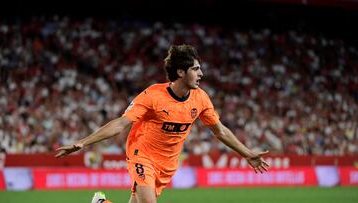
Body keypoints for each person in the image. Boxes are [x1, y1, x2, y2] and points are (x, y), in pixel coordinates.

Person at [55, 44, 269, 203]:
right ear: (180, 72)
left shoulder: (201, 99)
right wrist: (82, 143)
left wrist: (247, 153)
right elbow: (121, 124)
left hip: (166, 164)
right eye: (195, 69)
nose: (201, 74)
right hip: (142, 154)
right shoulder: (152, 95)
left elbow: (220, 131)